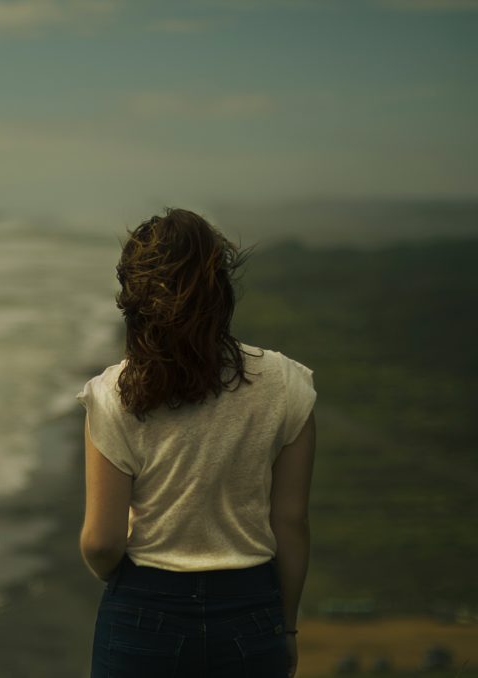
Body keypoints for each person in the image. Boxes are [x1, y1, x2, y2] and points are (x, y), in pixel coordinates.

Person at [76, 207, 316, 678]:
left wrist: (129, 587)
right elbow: (290, 523)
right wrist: (285, 630)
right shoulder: (288, 384)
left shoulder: (112, 395)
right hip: (251, 612)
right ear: (220, 290)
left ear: (135, 297)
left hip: (144, 611)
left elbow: (102, 543)